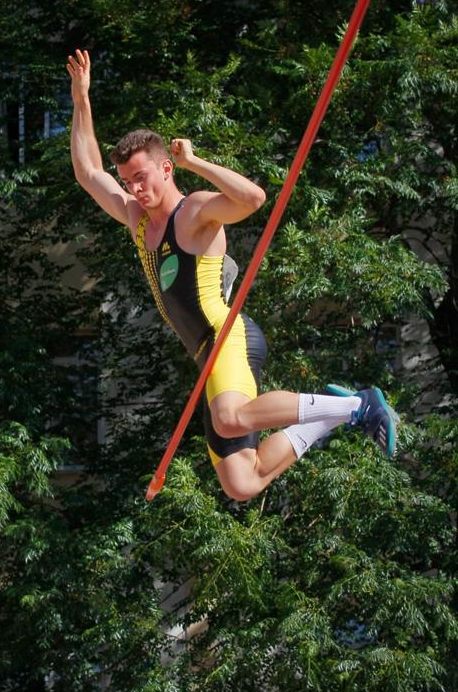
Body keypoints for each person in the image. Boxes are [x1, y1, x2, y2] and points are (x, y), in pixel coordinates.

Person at [67, 49, 397, 502]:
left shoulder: (194, 211)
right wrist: (81, 100)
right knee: (242, 482)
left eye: (142, 177)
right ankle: (329, 414)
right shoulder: (137, 220)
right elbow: (88, 172)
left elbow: (253, 198)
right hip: (206, 357)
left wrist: (195, 162)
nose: (135, 189)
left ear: (166, 168)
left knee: (229, 418)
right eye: (128, 182)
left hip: (227, 336)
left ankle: (358, 405)